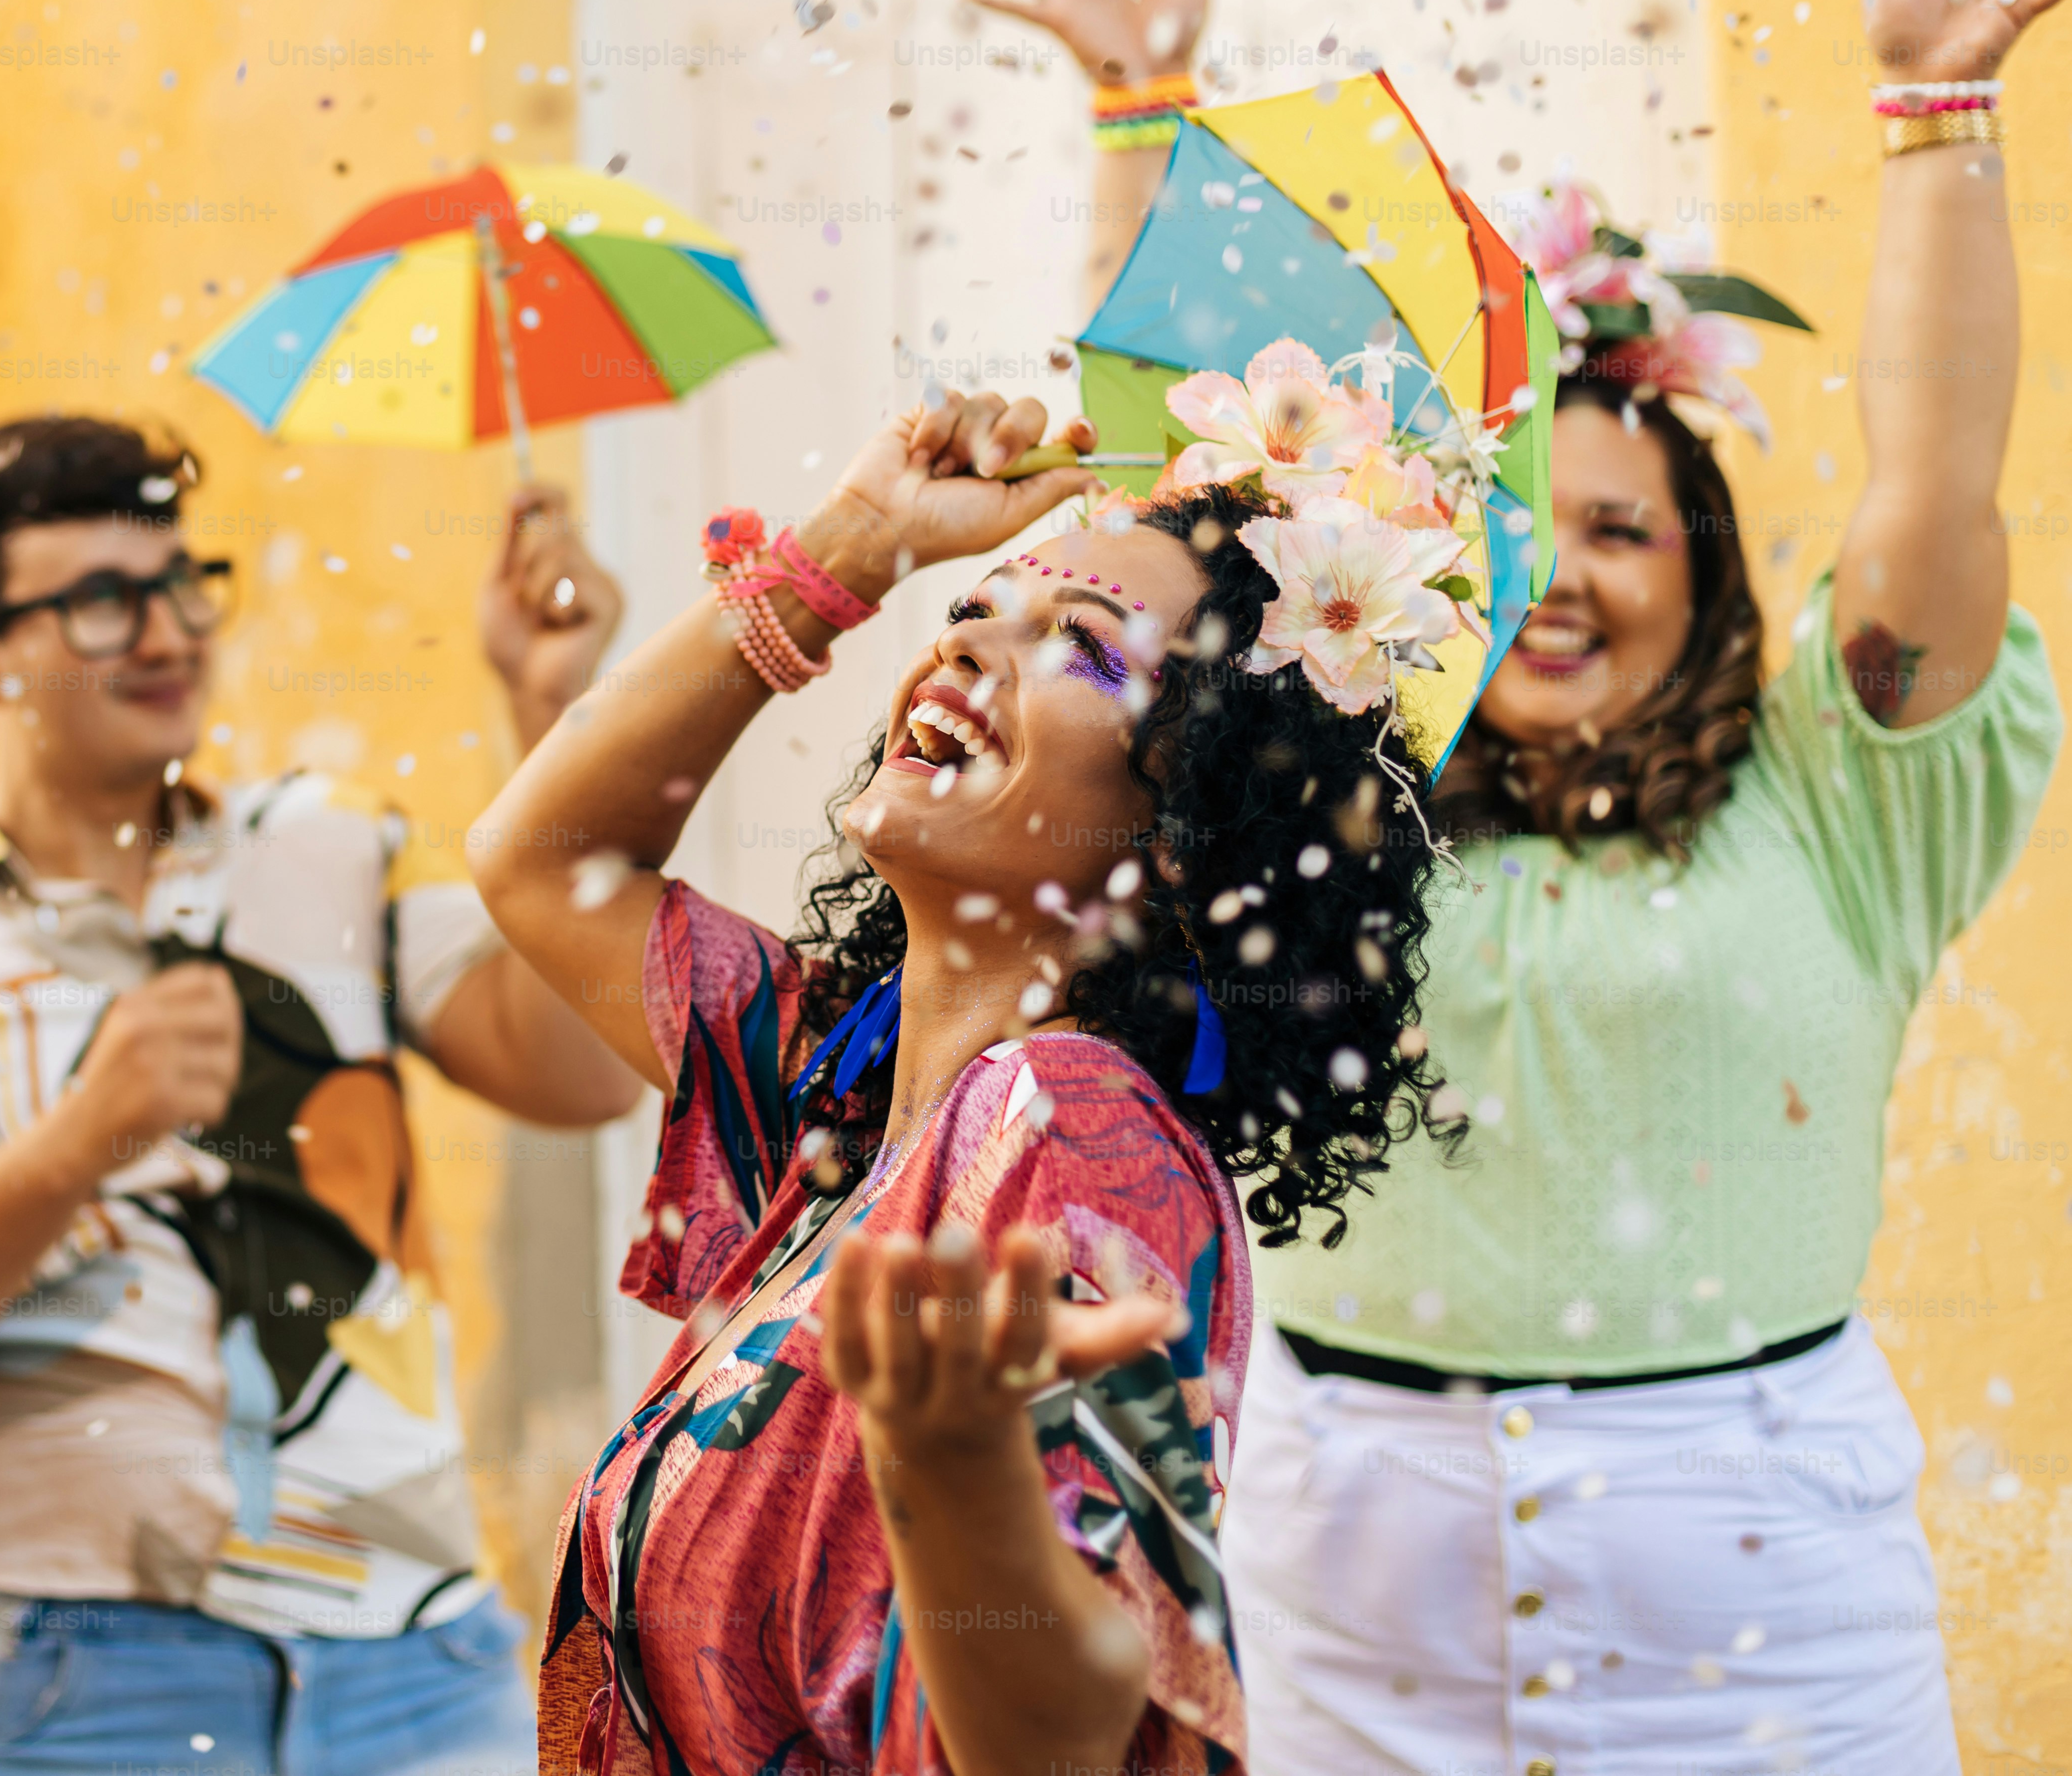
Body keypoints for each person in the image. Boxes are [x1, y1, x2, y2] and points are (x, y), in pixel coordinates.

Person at [984, 0, 2070, 1772]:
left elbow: (1935, 489)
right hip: (1345, 1593)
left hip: (1772, 1621)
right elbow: (1172, 526)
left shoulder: (1843, 793)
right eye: (1518, 529)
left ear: (1713, 574)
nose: (1560, 578)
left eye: (1624, 529)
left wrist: (1938, 117)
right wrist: (1141, 120)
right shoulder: (1320, 804)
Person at [469, 381, 1463, 1773]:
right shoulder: (837, 1110)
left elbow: (1084, 1747)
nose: (973, 649)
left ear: (1187, 830)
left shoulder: (1068, 1126)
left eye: (1089, 651)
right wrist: (858, 544)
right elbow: (542, 857)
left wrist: (956, 1479)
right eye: (970, 611)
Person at [0, 420, 645, 1774]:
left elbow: (581, 1073)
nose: (166, 631)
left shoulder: (334, 850)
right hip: (70, 1685)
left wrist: (554, 715)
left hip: (417, 1654)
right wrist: (76, 1144)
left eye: (182, 582)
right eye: (103, 599)